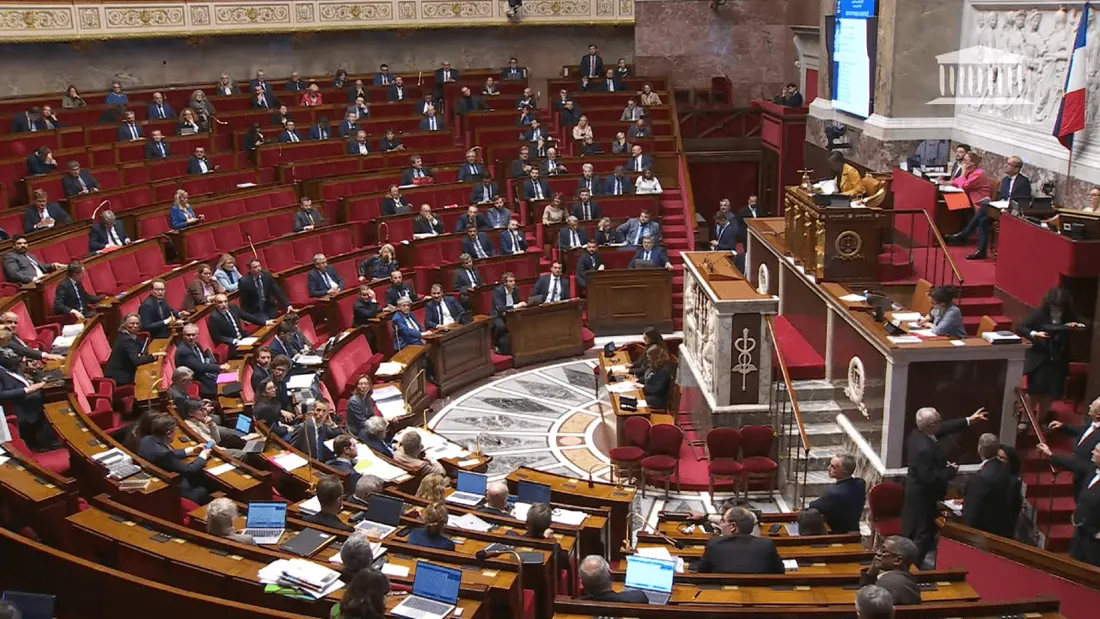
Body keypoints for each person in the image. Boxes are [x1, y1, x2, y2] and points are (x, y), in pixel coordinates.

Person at [903, 406, 988, 566]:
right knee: (922, 536)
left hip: (920, 494)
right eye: (938, 422)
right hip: (923, 498)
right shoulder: (924, 449)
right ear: (931, 426)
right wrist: (950, 470)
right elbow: (929, 478)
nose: (941, 424)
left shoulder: (918, 434)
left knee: (919, 533)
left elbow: (944, 428)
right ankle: (910, 569)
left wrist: (969, 420)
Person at [1018, 288, 1087, 422]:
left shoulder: (1068, 315)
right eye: (1054, 306)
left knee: (1049, 395)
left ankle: (1039, 422)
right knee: (1033, 393)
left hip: (1057, 362)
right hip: (1040, 361)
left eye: (1059, 306)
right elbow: (1021, 327)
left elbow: (1086, 323)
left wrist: (1077, 325)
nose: (1056, 309)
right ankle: (1025, 421)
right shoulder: (1040, 314)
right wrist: (1035, 334)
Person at [1037, 441, 1100, 565]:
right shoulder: (1091, 470)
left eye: (1097, 451)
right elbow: (1072, 463)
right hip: (1080, 533)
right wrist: (1050, 454)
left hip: (1096, 542)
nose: (1092, 452)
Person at [138, 414, 212, 504]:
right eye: (175, 431)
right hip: (178, 489)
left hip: (159, 477)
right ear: (168, 433)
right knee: (206, 488)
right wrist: (203, 456)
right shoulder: (165, 454)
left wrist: (191, 450)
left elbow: (168, 454)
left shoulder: (146, 440)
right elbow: (189, 470)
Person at [693, 506, 783, 574]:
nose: (721, 524)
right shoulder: (767, 545)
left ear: (732, 527)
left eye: (723, 521)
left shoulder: (714, 544)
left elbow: (702, 573)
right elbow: (780, 572)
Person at [0, 344, 56, 452]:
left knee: (50, 394)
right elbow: (1, 395)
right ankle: (45, 441)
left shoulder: (6, 366)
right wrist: (28, 389)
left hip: (28, 398)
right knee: (48, 399)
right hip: (20, 407)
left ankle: (49, 438)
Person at [942, 151, 995, 260]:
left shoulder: (978, 174)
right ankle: (979, 249)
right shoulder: (970, 172)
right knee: (982, 220)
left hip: (981, 205)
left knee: (982, 219)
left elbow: (964, 185)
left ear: (973, 163)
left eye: (966, 161)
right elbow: (957, 182)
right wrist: (944, 182)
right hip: (974, 205)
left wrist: (963, 172)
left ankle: (962, 235)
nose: (963, 163)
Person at [962, 433, 1012, 534]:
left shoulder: (981, 478)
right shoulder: (1005, 469)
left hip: (982, 532)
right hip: (1001, 528)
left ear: (979, 449)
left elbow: (972, 513)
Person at [806, 453, 866, 534]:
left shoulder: (835, 492)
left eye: (833, 466)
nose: (828, 468)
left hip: (838, 534)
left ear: (844, 470)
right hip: (855, 530)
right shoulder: (860, 483)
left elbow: (814, 505)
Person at [858, 536, 921, 606]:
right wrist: (872, 571)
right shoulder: (908, 580)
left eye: (884, 551)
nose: (878, 553)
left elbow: (863, 604)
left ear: (898, 560)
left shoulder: (885, 583)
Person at [175, 323, 231, 399]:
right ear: (183, 336)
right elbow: (199, 367)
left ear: (197, 335)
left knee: (235, 380)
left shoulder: (196, 344)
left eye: (193, 335)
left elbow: (204, 358)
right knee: (231, 389)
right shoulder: (184, 351)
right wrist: (219, 367)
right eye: (188, 335)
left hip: (210, 375)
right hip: (202, 381)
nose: (191, 337)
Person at [104, 313, 160, 385]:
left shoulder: (130, 336)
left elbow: (140, 347)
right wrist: (153, 356)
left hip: (125, 370)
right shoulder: (125, 339)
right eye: (132, 323)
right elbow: (136, 360)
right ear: (124, 324)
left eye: (137, 323)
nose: (135, 326)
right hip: (119, 377)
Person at [238, 258, 289, 322]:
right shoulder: (244, 282)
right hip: (256, 310)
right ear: (249, 269)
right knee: (268, 323)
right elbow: (243, 301)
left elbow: (277, 291)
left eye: (259, 266)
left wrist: (288, 305)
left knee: (281, 320)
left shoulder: (266, 275)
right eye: (255, 267)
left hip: (269, 306)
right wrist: (246, 317)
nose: (258, 269)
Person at [526, 503, 570, 572]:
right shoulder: (553, 547)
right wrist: (552, 540)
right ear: (549, 525)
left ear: (526, 524)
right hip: (546, 581)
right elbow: (565, 564)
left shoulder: (517, 541)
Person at [491, 272, 526, 353]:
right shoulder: (498, 291)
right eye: (510, 281)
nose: (513, 283)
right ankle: (496, 344)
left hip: (512, 314)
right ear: (505, 283)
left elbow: (517, 301)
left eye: (513, 281)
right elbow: (500, 308)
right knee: (501, 327)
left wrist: (521, 305)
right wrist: (516, 306)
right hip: (498, 315)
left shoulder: (515, 290)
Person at [640, 344, 674, 409]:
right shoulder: (654, 365)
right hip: (650, 394)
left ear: (656, 358)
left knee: (635, 401)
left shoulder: (664, 371)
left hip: (657, 399)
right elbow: (647, 377)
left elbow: (656, 389)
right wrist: (638, 380)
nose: (648, 359)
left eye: (649, 357)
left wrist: (643, 387)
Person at [344, 376, 376, 440]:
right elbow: (361, 422)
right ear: (357, 386)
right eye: (361, 384)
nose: (363, 386)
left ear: (370, 386)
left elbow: (371, 415)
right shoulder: (354, 401)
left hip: (366, 426)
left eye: (366, 384)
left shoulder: (368, 398)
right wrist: (377, 425)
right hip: (356, 431)